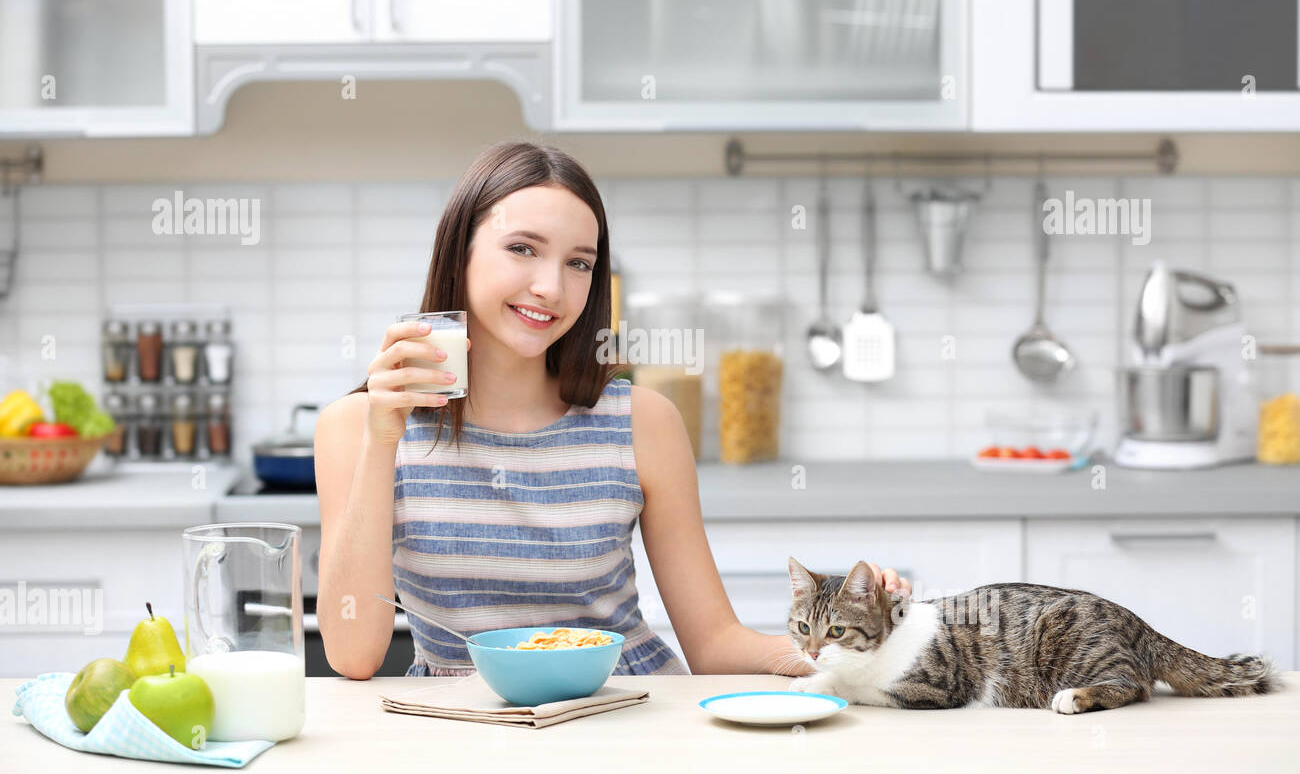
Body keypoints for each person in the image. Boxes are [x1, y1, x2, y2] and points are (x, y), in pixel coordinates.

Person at [314, 140, 912, 680]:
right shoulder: (357, 428)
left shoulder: (641, 422)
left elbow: (713, 645)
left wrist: (867, 647)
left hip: (627, 722)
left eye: (579, 262)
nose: (552, 286)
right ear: (458, 255)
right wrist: (382, 439)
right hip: (460, 734)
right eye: (522, 249)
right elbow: (355, 655)